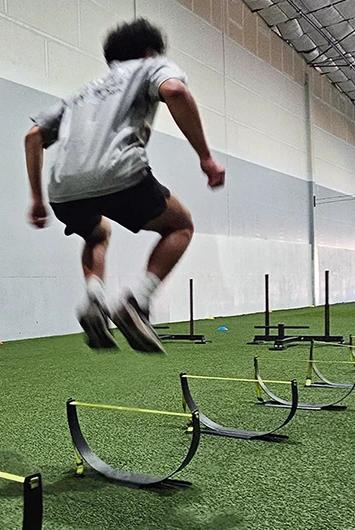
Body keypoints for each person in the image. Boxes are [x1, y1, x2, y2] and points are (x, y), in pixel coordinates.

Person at [25, 18, 225, 353]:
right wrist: (205, 157)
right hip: (119, 174)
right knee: (181, 225)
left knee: (97, 233)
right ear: (150, 51)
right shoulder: (152, 66)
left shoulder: (83, 93)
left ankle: (93, 301)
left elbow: (34, 137)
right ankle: (137, 303)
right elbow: (175, 91)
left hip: (63, 189)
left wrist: (36, 200)